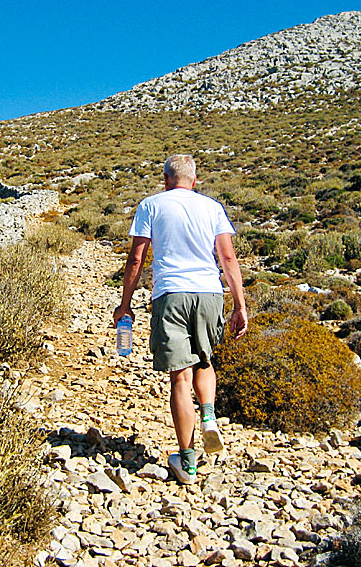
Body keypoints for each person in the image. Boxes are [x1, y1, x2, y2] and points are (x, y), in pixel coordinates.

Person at [113, 154, 248, 485]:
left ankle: (187, 463)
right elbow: (227, 256)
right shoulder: (212, 207)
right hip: (209, 293)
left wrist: (125, 304)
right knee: (205, 361)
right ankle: (210, 417)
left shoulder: (151, 205)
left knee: (180, 379)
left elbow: (136, 259)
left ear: (165, 180)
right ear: (195, 180)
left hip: (171, 294)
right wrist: (240, 305)